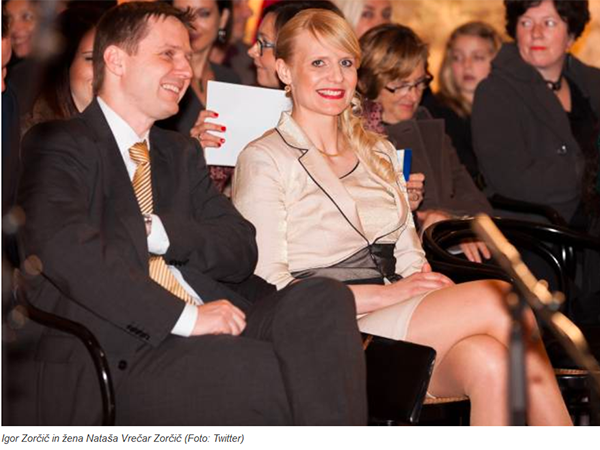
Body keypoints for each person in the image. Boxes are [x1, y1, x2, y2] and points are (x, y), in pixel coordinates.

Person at [14, 1, 366, 425]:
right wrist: (185, 317)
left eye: (186, 54)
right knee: (276, 373)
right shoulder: (57, 144)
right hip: (120, 345)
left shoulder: (178, 153)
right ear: (117, 61)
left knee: (324, 298)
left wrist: (158, 232)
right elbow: (67, 250)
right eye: (168, 54)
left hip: (217, 314)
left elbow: (239, 247)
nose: (184, 69)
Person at [233, 9, 571, 425]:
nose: (335, 76)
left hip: (397, 317)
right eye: (318, 62)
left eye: (345, 62)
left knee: (488, 360)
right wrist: (388, 296)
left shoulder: (377, 151)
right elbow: (271, 289)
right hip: (326, 333)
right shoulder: (264, 157)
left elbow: (410, 256)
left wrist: (424, 291)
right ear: (285, 70)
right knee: (504, 301)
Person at [358, 24, 494, 263]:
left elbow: (476, 200)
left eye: (420, 83)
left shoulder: (427, 124)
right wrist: (427, 222)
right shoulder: (357, 135)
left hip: (448, 255)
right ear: (368, 82)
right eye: (401, 85)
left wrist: (450, 222)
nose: (413, 95)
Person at [472, 0, 600, 235]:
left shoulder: (592, 83)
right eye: (526, 23)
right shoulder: (494, 92)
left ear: (571, 36)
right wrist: (588, 173)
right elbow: (512, 180)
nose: (536, 33)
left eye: (549, 23)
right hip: (541, 236)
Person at [422, 21, 502, 187]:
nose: (467, 65)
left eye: (477, 57)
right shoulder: (435, 114)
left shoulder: (510, 112)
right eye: (458, 58)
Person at [21, 6, 103, 134]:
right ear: (65, 63)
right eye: (90, 58)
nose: (104, 69)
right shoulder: (37, 134)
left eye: (112, 58)